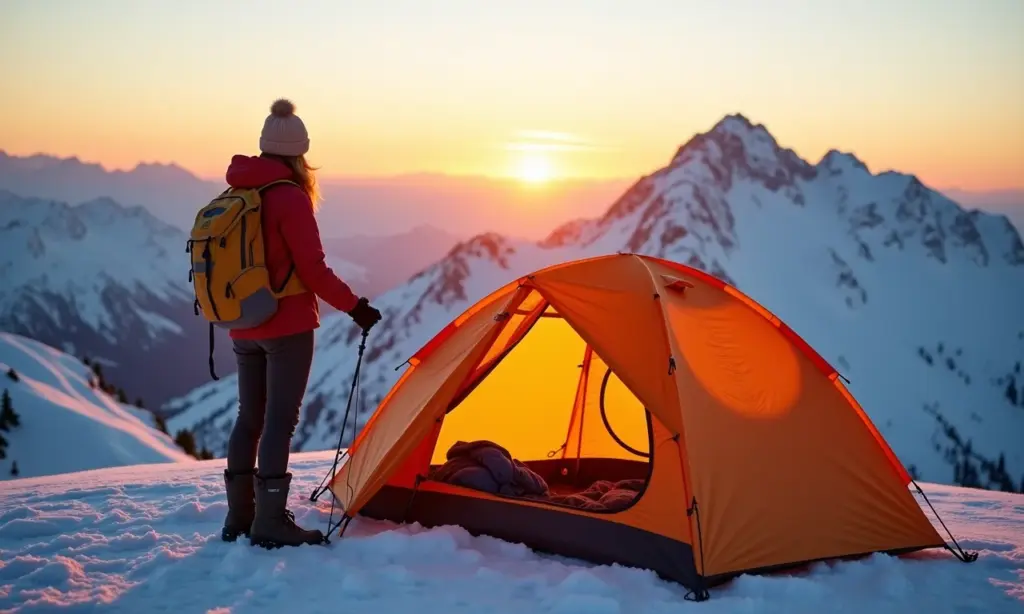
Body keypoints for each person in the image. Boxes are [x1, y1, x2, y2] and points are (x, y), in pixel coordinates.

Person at [220, 98, 383, 548]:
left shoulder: (239, 192)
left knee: (248, 417)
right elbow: (312, 269)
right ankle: (270, 522)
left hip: (242, 324)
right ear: (300, 153)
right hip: (286, 326)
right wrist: (356, 307)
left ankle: (240, 517)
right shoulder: (289, 196)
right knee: (279, 422)